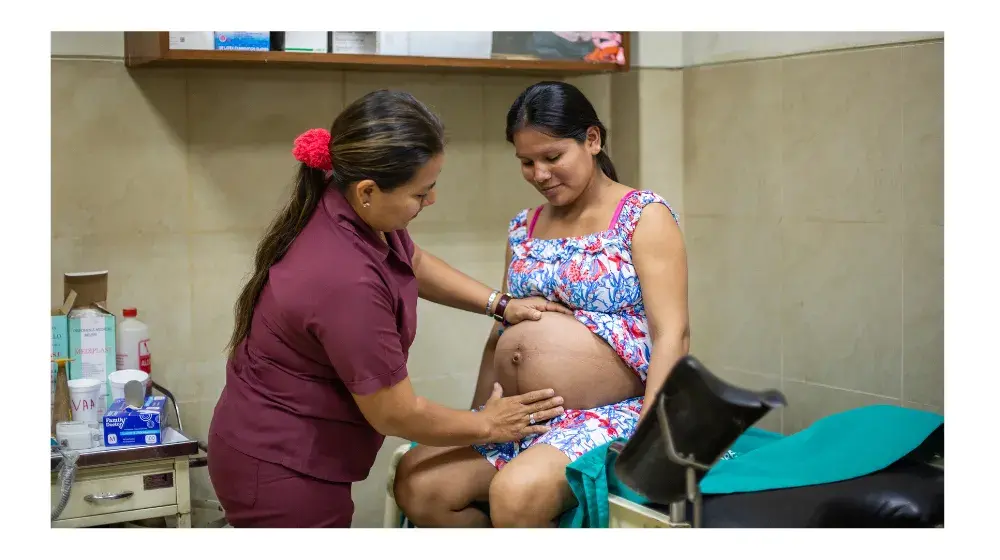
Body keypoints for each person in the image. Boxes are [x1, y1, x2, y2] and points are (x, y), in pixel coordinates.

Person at [206, 89, 569, 528]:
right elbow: (395, 412)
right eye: (422, 193)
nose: (430, 201)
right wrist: (490, 425)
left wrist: (499, 303)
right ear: (367, 191)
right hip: (280, 470)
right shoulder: (344, 280)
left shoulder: (357, 209)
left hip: (285, 451)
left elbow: (411, 260)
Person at [393, 81, 690, 528]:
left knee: (515, 494)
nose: (540, 174)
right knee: (418, 483)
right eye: (526, 162)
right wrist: (481, 416)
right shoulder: (524, 226)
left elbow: (673, 334)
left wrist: (650, 436)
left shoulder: (643, 216)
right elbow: (503, 331)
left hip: (611, 414)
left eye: (552, 158)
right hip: (524, 415)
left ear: (592, 140)